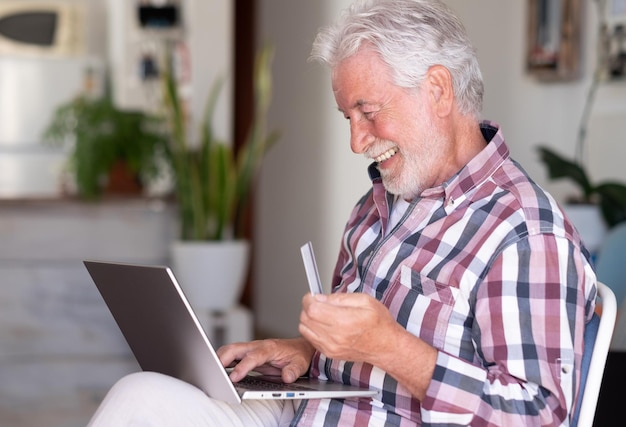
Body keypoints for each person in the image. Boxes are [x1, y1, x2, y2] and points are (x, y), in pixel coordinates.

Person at [88, 0, 597, 425]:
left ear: (438, 90)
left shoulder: (523, 233)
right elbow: (361, 351)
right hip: (312, 411)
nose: (357, 142)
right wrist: (308, 351)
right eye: (348, 117)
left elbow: (538, 415)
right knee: (141, 394)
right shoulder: (378, 205)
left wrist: (390, 347)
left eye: (368, 112)